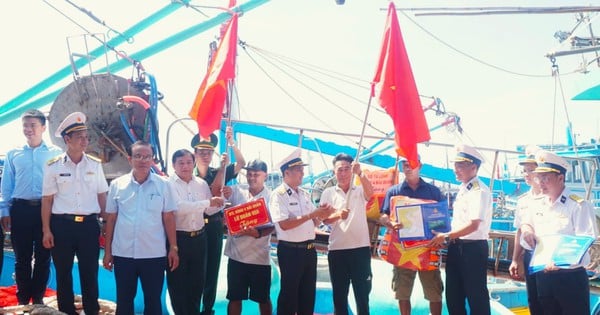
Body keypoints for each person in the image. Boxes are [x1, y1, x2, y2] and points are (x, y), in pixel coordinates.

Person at [41, 112, 108, 315]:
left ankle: (91, 311)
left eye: (86, 136)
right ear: (67, 139)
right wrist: (46, 230)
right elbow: (47, 200)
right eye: (79, 137)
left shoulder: (95, 165)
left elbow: (102, 195)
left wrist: (106, 225)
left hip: (88, 226)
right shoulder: (53, 166)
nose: (84, 140)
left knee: (90, 273)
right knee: (63, 274)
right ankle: (67, 311)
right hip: (62, 226)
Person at [102, 140, 179, 315]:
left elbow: (168, 217)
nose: (143, 160)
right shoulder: (117, 185)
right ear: (129, 159)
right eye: (138, 156)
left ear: (152, 160)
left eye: (147, 157)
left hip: (153, 254)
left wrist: (173, 248)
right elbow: (111, 219)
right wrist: (108, 251)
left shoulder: (164, 185)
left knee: (153, 301)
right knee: (124, 300)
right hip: (123, 254)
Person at [520, 150, 598, 315]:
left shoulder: (578, 205)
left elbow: (585, 241)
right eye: (538, 177)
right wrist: (527, 230)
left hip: (569, 278)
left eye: (545, 178)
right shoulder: (537, 204)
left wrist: (560, 262)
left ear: (561, 178)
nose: (540, 182)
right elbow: (527, 223)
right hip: (543, 276)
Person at [1, 109, 62, 305]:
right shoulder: (13, 153)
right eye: (25, 125)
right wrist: (5, 210)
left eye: (33, 125)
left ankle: (37, 299)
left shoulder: (56, 154)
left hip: (47, 211)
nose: (28, 129)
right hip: (21, 210)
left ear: (43, 127)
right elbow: (7, 184)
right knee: (22, 258)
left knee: (44, 257)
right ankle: (22, 299)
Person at [269, 149, 334, 315]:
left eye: (302, 169)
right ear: (287, 173)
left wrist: (322, 213)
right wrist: (312, 214)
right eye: (298, 170)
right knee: (289, 297)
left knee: (307, 296)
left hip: (309, 250)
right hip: (291, 251)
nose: (302, 173)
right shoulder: (278, 196)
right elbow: (283, 224)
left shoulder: (304, 195)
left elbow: (314, 221)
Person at [429, 144, 492, 315]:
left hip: (473, 249)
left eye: (461, 165)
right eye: (455, 165)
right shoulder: (465, 189)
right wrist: (447, 238)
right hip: (457, 247)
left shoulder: (479, 191)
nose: (456, 169)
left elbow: (474, 224)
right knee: (453, 297)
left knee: (476, 298)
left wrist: (446, 236)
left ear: (474, 167)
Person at [191, 126, 245, 315]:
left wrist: (232, 143)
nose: (206, 155)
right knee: (194, 270)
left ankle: (207, 309)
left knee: (212, 270)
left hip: (213, 225)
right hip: (192, 227)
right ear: (195, 153)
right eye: (202, 152)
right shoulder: (188, 176)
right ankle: (192, 308)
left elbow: (241, 162)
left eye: (209, 152)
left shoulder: (219, 171)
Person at [380, 157, 444, 315]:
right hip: (402, 249)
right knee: (402, 292)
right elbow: (383, 215)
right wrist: (390, 222)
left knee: (434, 292)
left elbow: (442, 220)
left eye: (412, 165)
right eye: (405, 165)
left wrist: (441, 235)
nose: (408, 168)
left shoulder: (434, 191)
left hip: (428, 249)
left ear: (420, 166)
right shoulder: (394, 191)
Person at [167, 149, 225, 315]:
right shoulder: (168, 185)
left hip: (200, 239)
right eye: (181, 163)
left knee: (197, 284)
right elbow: (178, 208)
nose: (185, 166)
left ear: (193, 164)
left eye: (188, 162)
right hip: (178, 239)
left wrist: (222, 201)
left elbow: (209, 210)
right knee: (177, 286)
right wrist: (208, 202)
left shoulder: (201, 184)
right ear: (174, 165)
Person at [319, 153, 373, 315]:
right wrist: (338, 215)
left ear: (352, 170)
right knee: (339, 296)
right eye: (339, 170)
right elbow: (323, 219)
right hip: (337, 251)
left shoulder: (359, 189)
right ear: (334, 172)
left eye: (346, 169)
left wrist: (361, 173)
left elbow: (370, 194)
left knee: (362, 296)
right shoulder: (328, 193)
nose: (343, 173)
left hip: (360, 250)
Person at [224, 159, 274, 315]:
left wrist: (257, 233)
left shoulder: (272, 197)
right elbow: (220, 204)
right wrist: (223, 200)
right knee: (234, 298)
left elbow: (275, 225)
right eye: (249, 174)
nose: (252, 177)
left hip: (260, 257)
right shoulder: (235, 190)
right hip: (236, 256)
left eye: (256, 174)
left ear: (265, 175)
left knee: (263, 299)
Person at [508, 145, 544, 315]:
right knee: (533, 300)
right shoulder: (522, 201)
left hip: (546, 255)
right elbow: (519, 231)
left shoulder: (550, 198)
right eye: (524, 170)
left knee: (548, 301)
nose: (526, 174)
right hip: (530, 256)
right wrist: (515, 259)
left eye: (531, 170)